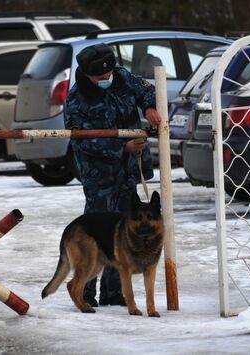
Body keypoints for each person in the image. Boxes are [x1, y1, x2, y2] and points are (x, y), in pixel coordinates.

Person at [63, 43, 161, 307]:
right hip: (100, 177)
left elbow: (146, 90)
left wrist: (149, 106)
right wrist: (122, 147)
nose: (107, 79)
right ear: (86, 75)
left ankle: (114, 292)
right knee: (98, 233)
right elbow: (81, 141)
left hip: (129, 171)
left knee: (123, 233)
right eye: (100, 78)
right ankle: (85, 292)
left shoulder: (122, 77)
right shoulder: (75, 100)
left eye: (108, 76)